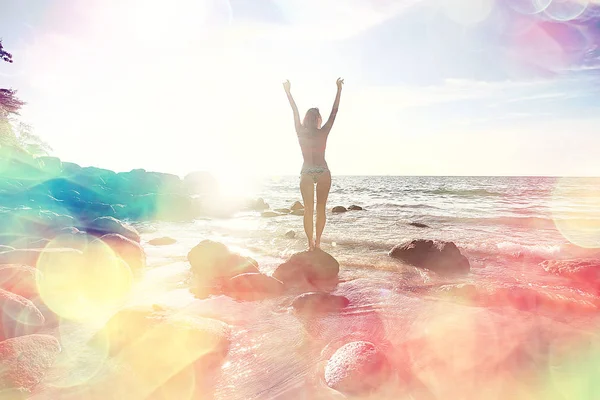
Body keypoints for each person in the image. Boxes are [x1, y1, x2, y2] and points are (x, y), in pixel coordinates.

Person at [283, 77, 344, 250]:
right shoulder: (323, 131)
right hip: (323, 170)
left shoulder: (300, 131)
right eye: (318, 117)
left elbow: (294, 111)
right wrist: (339, 90)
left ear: (305, 118)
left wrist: (288, 92)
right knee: (321, 208)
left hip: (307, 171)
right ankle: (317, 243)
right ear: (317, 119)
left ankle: (310, 244)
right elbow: (334, 112)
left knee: (308, 209)